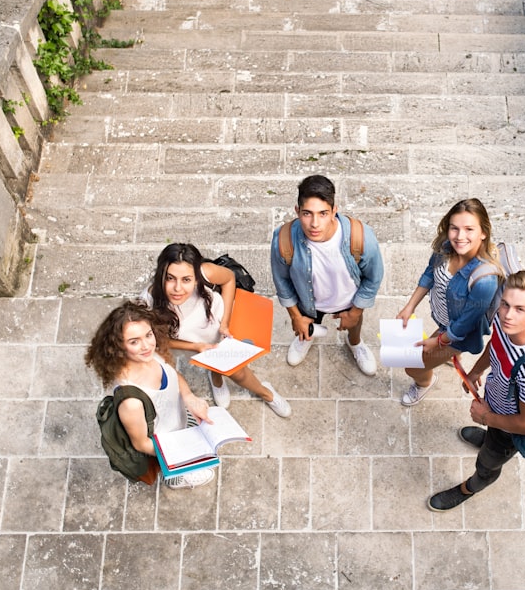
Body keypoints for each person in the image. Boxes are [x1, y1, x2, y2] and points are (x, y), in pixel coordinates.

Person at [427, 270, 525, 511]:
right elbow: (495, 346)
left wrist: (486, 417)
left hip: (511, 428)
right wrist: (475, 371)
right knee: (491, 439)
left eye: (520, 309)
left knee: (488, 464)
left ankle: (470, 487)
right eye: (505, 304)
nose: (508, 315)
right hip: (497, 406)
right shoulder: (503, 322)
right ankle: (488, 438)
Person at [143, 243, 291, 418]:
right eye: (170, 278)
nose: (177, 288)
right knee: (215, 364)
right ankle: (216, 377)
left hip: (220, 328)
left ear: (196, 277)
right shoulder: (148, 303)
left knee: (238, 372)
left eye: (186, 280)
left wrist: (225, 323)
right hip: (193, 344)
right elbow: (156, 339)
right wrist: (196, 347)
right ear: (161, 275)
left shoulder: (206, 272)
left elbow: (229, 279)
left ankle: (266, 392)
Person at [85, 301, 216, 489]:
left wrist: (189, 397)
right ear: (118, 346)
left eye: (148, 335)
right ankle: (175, 480)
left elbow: (173, 375)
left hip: (177, 420)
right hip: (165, 441)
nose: (146, 346)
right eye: (134, 341)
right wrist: (179, 453)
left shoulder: (152, 354)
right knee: (174, 474)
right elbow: (141, 444)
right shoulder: (131, 402)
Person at [270, 174, 383, 376]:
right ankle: (306, 337)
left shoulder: (361, 237)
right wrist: (296, 317)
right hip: (309, 302)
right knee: (307, 326)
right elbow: (282, 282)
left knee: (355, 326)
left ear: (334, 211)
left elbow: (373, 279)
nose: (314, 223)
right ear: (297, 211)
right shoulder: (283, 239)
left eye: (323, 213)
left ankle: (355, 343)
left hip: (349, 299)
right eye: (307, 214)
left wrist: (355, 312)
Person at [395, 198, 501, 406]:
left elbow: (464, 325)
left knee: (412, 367)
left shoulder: (485, 281)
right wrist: (410, 306)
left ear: (483, 232)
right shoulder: (446, 247)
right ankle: (452, 356)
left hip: (457, 334)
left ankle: (425, 382)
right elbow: (429, 275)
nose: (460, 237)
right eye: (455, 228)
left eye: (469, 229)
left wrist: (438, 342)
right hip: (445, 319)